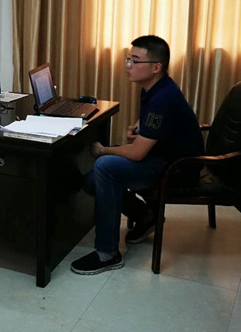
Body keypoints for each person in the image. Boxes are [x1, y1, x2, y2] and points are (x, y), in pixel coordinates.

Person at [70, 35, 204, 275]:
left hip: (177, 168)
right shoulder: (156, 87)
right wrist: (140, 126)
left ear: (156, 67)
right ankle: (146, 216)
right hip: (164, 156)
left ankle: (107, 254)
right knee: (91, 181)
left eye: (135, 61)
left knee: (104, 166)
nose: (128, 65)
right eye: (128, 59)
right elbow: (153, 120)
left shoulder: (163, 98)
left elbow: (138, 152)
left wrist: (102, 150)